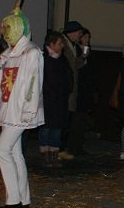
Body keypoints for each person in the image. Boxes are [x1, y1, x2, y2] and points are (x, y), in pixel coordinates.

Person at [0, 0, 44, 208]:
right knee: (14, 153)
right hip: (9, 110)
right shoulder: (7, 55)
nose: (5, 31)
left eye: (8, 27)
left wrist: (29, 111)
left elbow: (32, 85)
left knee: (2, 150)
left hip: (20, 112)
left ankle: (13, 200)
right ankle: (23, 198)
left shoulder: (32, 53)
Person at [39, 31, 73, 166]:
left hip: (60, 100)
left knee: (57, 128)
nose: (62, 46)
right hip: (47, 100)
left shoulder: (62, 59)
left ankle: (54, 155)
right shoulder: (42, 59)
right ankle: (45, 155)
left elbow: (69, 77)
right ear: (51, 44)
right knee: (46, 128)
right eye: (60, 43)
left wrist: (67, 89)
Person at [61, 20, 88, 159]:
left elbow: (76, 65)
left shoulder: (73, 45)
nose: (80, 35)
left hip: (72, 87)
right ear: (73, 32)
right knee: (64, 118)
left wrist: (83, 53)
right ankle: (61, 148)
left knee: (69, 117)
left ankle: (65, 148)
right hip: (65, 87)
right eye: (79, 32)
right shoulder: (63, 44)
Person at [73, 27, 97, 155]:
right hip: (78, 89)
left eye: (88, 37)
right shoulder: (76, 50)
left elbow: (92, 70)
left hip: (86, 89)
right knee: (77, 118)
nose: (87, 40)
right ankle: (74, 145)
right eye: (85, 37)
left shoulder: (90, 51)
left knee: (83, 119)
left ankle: (80, 145)